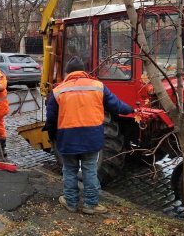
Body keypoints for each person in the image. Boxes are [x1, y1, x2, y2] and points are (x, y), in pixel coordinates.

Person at [45, 56, 133, 214]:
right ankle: (91, 205)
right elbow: (116, 105)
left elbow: (51, 119)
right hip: (92, 139)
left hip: (68, 139)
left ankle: (71, 203)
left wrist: (53, 136)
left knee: (70, 170)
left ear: (67, 72)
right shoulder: (98, 86)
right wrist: (131, 109)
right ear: (84, 72)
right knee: (90, 170)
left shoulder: (58, 90)